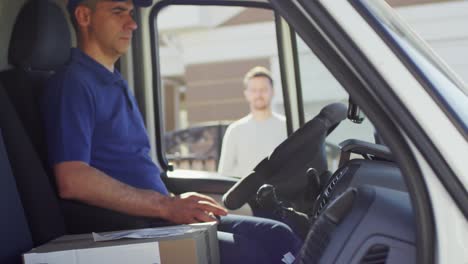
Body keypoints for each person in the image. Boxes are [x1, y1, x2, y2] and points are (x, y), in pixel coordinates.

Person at [40, 0, 301, 263]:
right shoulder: (73, 84)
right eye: (119, 11)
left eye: (131, 14)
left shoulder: (114, 81)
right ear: (84, 16)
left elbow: (130, 166)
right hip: (132, 230)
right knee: (257, 253)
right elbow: (72, 179)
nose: (132, 23)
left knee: (277, 235)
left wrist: (174, 200)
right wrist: (166, 206)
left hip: (156, 217)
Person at [218, 66, 287, 178]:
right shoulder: (235, 130)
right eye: (254, 90)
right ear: (246, 94)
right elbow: (224, 174)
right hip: (246, 195)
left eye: (263, 89)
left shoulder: (287, 126)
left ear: (273, 92)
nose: (258, 94)